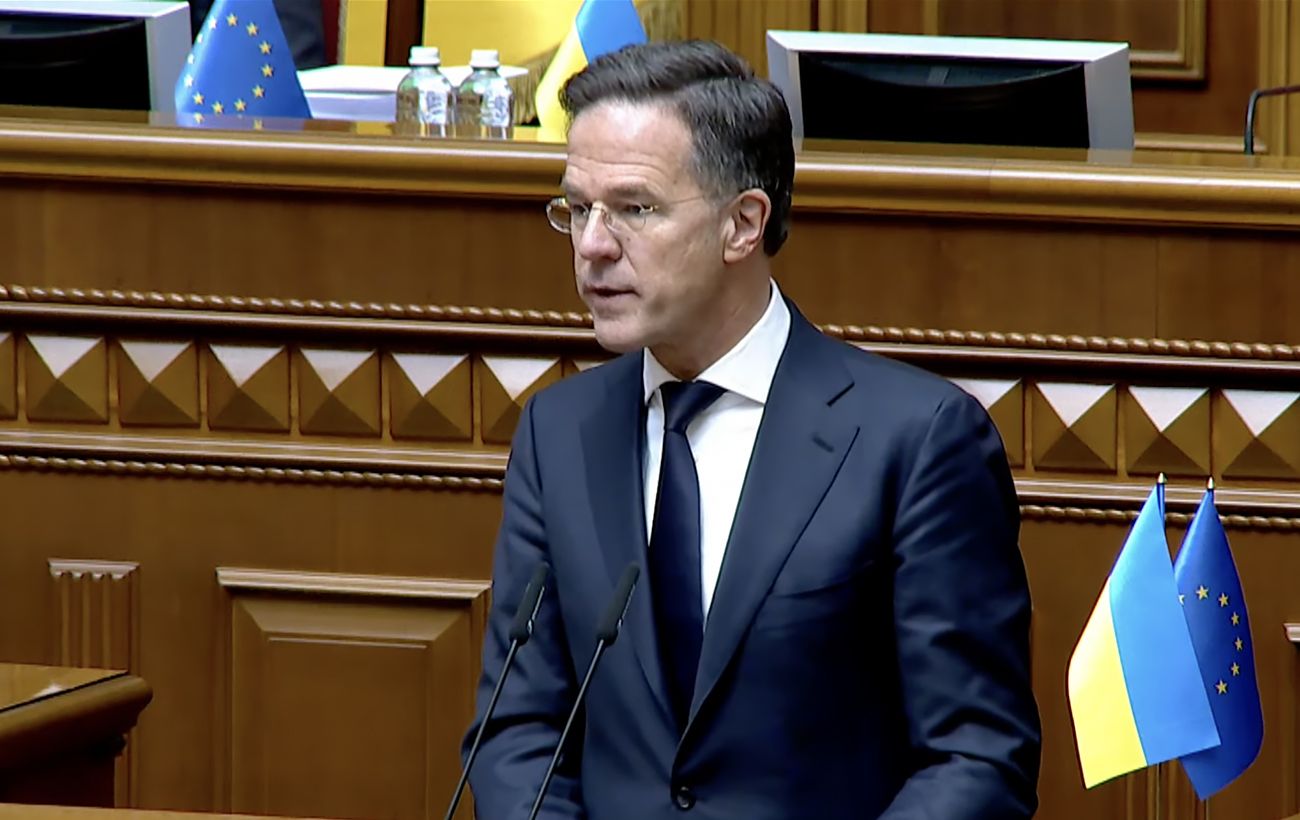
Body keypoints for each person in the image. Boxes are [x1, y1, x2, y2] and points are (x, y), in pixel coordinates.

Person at [465, 39, 1041, 820]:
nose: (592, 244)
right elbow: (518, 731)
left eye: (634, 209)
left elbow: (976, 757)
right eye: (576, 208)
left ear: (743, 223)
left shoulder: (916, 441)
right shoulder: (558, 432)